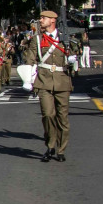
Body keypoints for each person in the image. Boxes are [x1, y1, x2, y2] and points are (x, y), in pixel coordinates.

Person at [21, 10, 75, 162]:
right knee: (48, 114)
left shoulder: (65, 38)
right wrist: (27, 77)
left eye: (43, 18)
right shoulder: (37, 39)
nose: (41, 20)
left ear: (52, 20)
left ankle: (61, 149)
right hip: (43, 81)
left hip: (62, 81)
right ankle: (50, 145)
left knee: (62, 118)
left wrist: (72, 59)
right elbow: (30, 59)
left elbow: (74, 58)